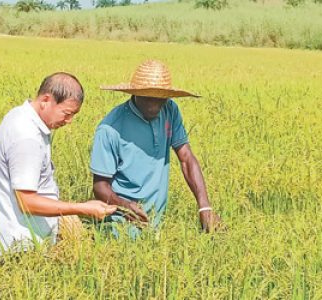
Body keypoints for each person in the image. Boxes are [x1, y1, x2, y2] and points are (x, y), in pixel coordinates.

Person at [91, 60, 223, 236]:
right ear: (135, 94)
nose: (154, 106)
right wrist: (126, 207)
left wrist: (205, 207)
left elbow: (186, 158)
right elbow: (100, 186)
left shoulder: (170, 110)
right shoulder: (110, 129)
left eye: (159, 99)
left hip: (157, 226)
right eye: (147, 98)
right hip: (120, 228)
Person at [0, 72, 116, 255]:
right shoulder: (27, 137)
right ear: (46, 100)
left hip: (32, 242)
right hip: (23, 249)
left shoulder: (19, 116)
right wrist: (80, 209)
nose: (69, 121)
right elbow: (27, 202)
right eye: (66, 114)